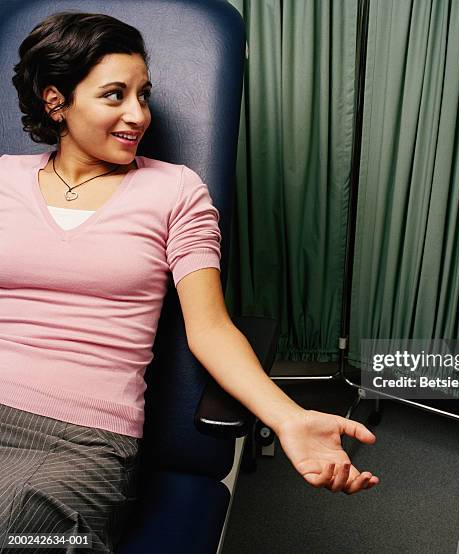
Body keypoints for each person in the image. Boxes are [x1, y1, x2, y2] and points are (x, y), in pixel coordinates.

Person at [0, 11, 379, 551]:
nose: (138, 114)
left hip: (80, 442)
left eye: (144, 95)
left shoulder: (175, 191)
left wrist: (288, 416)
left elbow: (211, 329)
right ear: (56, 101)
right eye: (114, 95)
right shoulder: (3, 179)